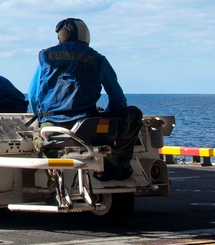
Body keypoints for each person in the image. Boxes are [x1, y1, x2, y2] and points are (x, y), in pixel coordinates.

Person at [29, 18, 143, 180]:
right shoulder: (97, 59)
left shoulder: (45, 57)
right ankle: (114, 166)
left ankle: (55, 188)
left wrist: (42, 118)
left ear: (62, 35)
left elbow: (34, 95)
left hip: (51, 129)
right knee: (134, 114)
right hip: (86, 129)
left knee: (38, 137)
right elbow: (118, 99)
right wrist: (108, 114)